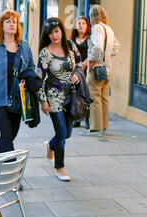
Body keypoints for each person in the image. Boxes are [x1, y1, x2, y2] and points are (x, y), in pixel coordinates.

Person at [0, 10, 36, 158]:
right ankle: (10, 175)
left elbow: (31, 68)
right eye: (8, 21)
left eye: (14, 21)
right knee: (7, 135)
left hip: (18, 97)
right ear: (1, 26)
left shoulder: (25, 47)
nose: (11, 24)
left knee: (11, 134)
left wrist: (26, 79)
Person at [36, 17, 82, 181]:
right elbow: (38, 78)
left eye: (56, 31)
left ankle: (50, 145)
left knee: (67, 133)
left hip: (71, 97)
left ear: (61, 30)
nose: (54, 35)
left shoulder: (70, 46)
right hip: (54, 97)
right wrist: (43, 100)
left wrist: (76, 74)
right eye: (50, 33)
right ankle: (59, 168)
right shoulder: (45, 53)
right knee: (61, 132)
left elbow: (79, 63)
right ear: (47, 35)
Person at [87, 5, 120, 136]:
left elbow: (98, 47)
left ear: (92, 16)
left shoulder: (96, 28)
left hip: (96, 68)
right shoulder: (109, 29)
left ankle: (95, 127)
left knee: (95, 98)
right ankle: (104, 125)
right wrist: (107, 56)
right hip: (107, 68)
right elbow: (116, 48)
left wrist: (92, 61)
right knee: (104, 98)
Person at [71, 16, 92, 128]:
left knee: (86, 94)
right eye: (78, 23)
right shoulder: (72, 40)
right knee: (77, 94)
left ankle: (87, 119)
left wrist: (84, 63)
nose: (81, 25)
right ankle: (77, 118)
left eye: (83, 23)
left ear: (87, 26)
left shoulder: (90, 39)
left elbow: (92, 53)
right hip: (76, 71)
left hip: (87, 69)